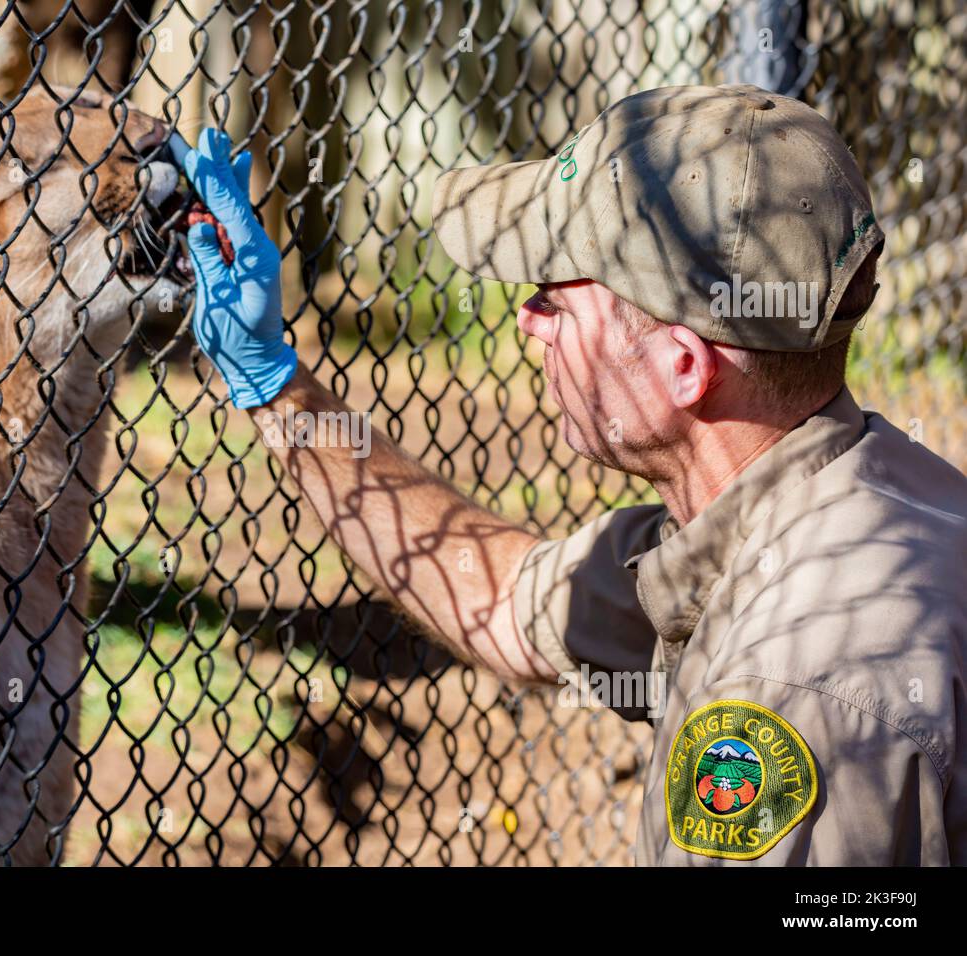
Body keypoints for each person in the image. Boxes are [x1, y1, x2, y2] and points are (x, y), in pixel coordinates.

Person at [173, 83, 967, 865]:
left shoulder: (792, 691)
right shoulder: (844, 494)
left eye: (556, 298)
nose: (527, 320)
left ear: (684, 366)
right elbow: (499, 598)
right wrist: (276, 383)